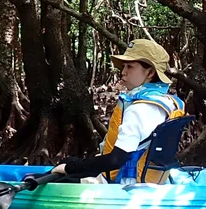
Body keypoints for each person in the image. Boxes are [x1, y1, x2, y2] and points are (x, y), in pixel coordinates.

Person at [25, 39, 184, 186]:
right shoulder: (169, 102)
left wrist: (69, 169)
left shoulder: (139, 109)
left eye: (130, 66)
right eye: (123, 66)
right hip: (152, 180)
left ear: (150, 73)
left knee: (63, 170)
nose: (123, 72)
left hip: (124, 183)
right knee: (69, 161)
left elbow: (116, 160)